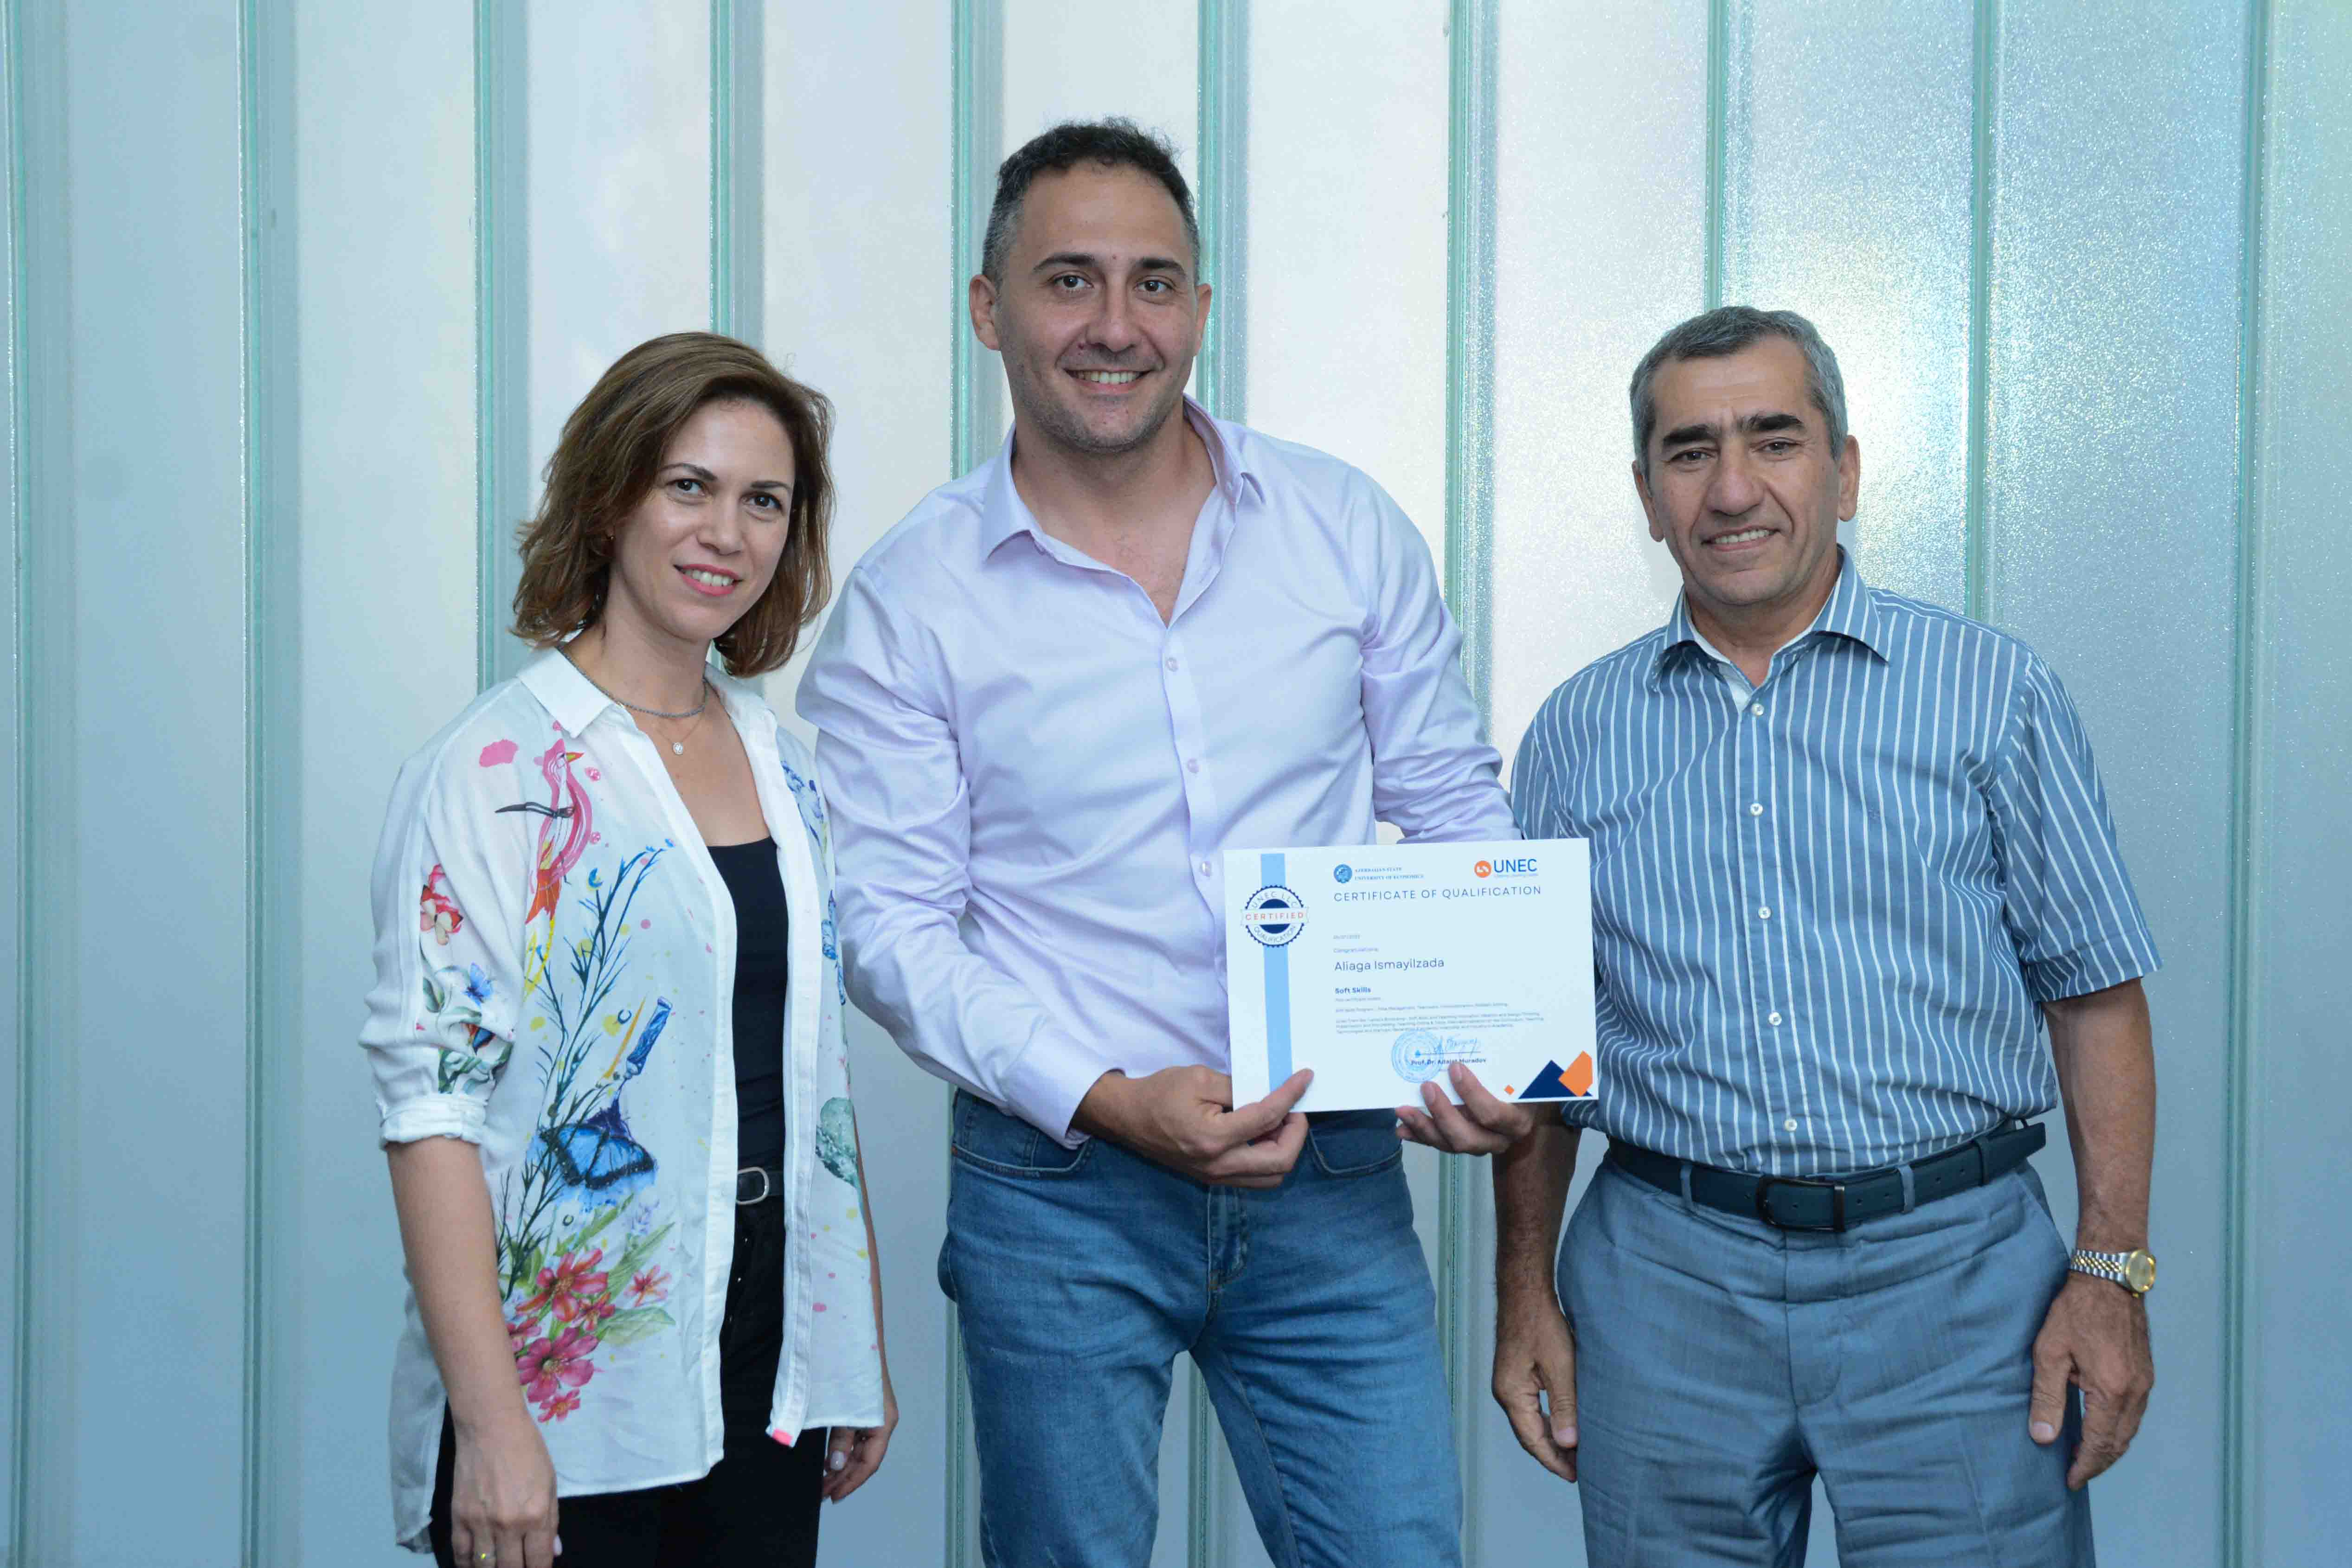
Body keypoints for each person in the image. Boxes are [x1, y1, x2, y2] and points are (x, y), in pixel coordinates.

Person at [799, 119, 1514, 1568]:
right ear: (990, 308)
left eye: (1155, 282)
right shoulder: (911, 599)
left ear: (1200, 308)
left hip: (1332, 1170)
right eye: (1069, 280)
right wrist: (1107, 1096)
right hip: (1058, 1193)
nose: (1116, 324)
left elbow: (1451, 807)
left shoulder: (1343, 527)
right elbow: (889, 926)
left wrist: (1482, 1040)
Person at [1399, 307, 2160, 1566]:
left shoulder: (1991, 692)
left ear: (1843, 470)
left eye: (1774, 439)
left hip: (1958, 1283)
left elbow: (2096, 997)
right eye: (1690, 451)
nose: (1733, 487)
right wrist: (1523, 1289)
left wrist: (2112, 1272)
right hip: (1665, 1284)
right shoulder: (1579, 731)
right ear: (1647, 494)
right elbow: (1543, 1055)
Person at [361, 332, 895, 1568]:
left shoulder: (787, 768)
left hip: (768, 1359)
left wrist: (847, 1341)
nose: (727, 534)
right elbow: (432, 1115)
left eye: (764, 501)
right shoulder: (493, 773)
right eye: (688, 486)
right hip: (566, 1379)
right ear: (610, 501)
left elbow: (809, 1069)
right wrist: (493, 1428)